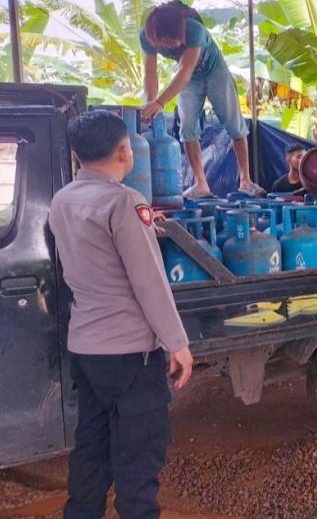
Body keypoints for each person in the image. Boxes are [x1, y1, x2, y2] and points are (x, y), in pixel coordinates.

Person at [48, 111, 194, 519]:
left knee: (91, 445)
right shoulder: (125, 201)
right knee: (138, 454)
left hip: (86, 349)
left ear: (76, 154)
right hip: (130, 355)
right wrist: (177, 343)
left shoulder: (61, 200)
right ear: (126, 151)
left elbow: (91, 255)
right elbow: (149, 282)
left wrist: (143, 227)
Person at [139, 1, 266, 199]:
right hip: (190, 79)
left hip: (214, 70)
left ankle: (246, 180)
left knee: (234, 124)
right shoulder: (146, 37)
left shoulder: (194, 29)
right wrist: (150, 103)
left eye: (180, 40)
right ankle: (201, 183)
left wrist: (160, 102)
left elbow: (185, 71)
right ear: (158, 38)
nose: (178, 45)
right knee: (187, 128)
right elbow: (150, 71)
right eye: (173, 42)